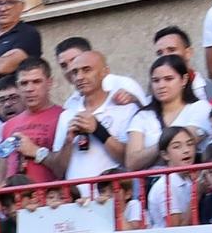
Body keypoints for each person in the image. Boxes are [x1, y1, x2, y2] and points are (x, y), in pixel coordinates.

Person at [47, 45, 157, 182]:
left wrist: (98, 130)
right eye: (75, 72)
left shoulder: (125, 108)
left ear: (105, 72)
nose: (79, 77)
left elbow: (130, 160)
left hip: (115, 197)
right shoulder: (67, 114)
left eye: (87, 70)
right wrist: (68, 142)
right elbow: (58, 171)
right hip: (78, 201)